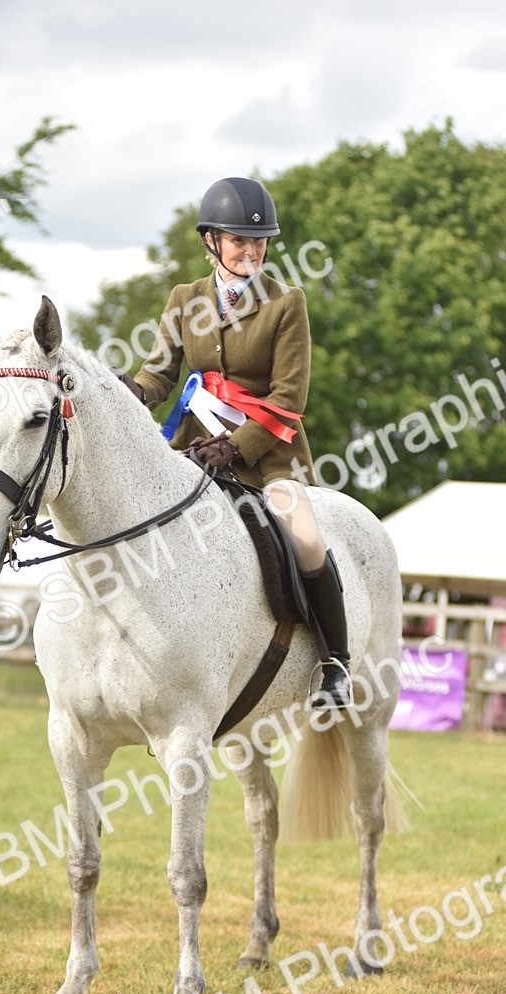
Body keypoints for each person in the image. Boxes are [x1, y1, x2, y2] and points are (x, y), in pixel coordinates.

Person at [117, 176, 352, 708]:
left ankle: (335, 663)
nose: (251, 251)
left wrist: (239, 446)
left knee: (305, 535)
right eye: (239, 240)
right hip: (194, 448)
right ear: (212, 241)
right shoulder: (185, 300)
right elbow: (159, 375)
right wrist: (132, 390)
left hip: (269, 457)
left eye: (259, 241)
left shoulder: (286, 303)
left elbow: (289, 398)